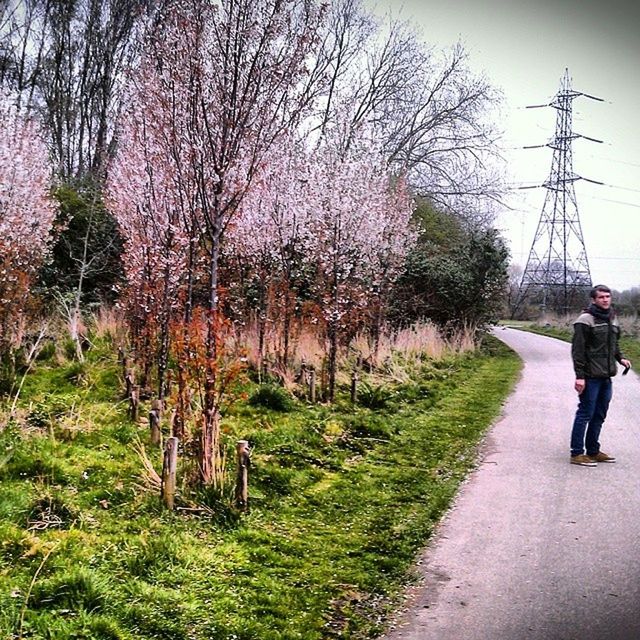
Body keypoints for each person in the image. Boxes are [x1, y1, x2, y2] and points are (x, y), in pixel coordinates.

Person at [570, 284, 631, 466]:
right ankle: (577, 453)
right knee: (585, 413)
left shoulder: (612, 318)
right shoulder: (585, 320)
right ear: (594, 300)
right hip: (590, 376)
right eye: (601, 297)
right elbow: (578, 351)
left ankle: (593, 451)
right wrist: (579, 376)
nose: (605, 300)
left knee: (599, 415)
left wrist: (620, 358)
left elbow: (613, 344)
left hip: (606, 376)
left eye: (607, 296)